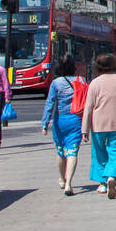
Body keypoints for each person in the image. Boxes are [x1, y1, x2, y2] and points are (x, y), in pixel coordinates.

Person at [80, 53, 116, 199]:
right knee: (115, 151)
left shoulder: (94, 83)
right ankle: (111, 176)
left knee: (98, 152)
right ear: (115, 65)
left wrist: (84, 129)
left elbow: (88, 107)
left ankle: (102, 184)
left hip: (97, 124)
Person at [41, 56, 87, 195]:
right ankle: (69, 183)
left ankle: (61, 178)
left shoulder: (56, 83)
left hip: (60, 120)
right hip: (77, 119)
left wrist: (45, 123)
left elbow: (50, 104)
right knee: (72, 151)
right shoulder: (82, 80)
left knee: (60, 151)